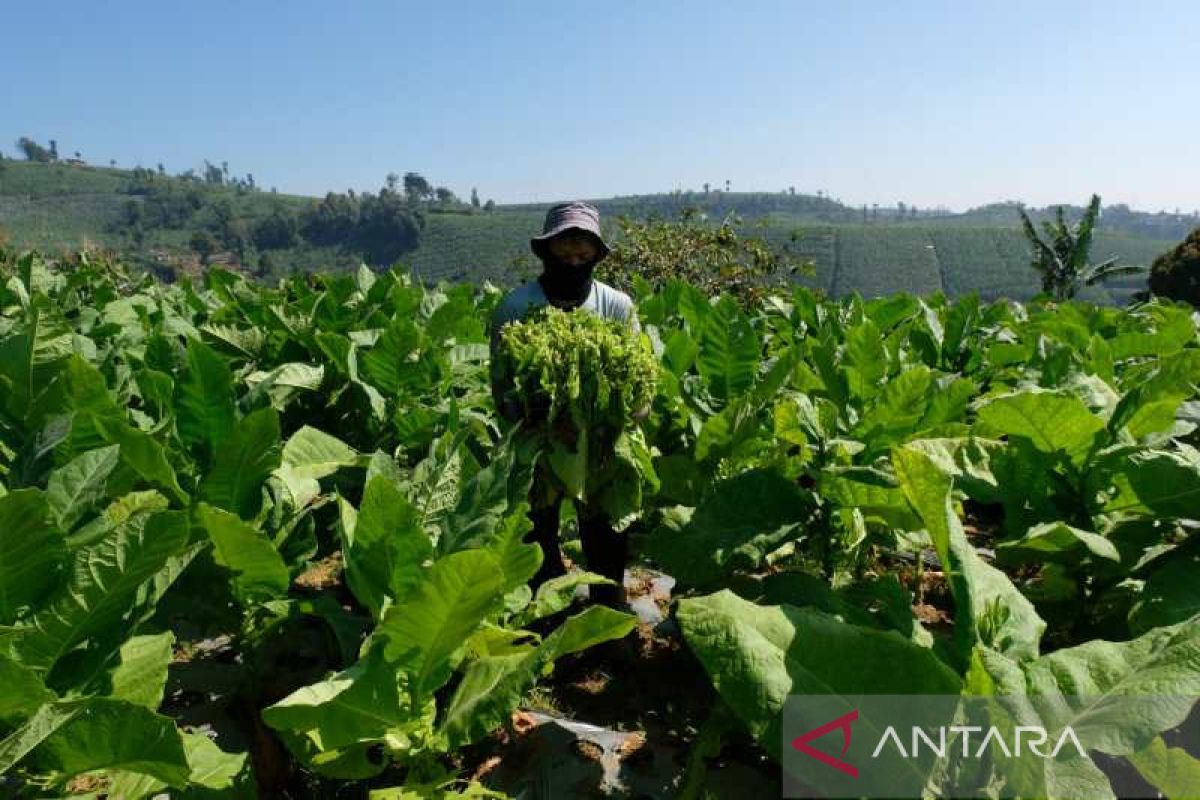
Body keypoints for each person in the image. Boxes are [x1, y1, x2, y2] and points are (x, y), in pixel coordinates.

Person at [489, 201, 640, 608]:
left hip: (602, 446)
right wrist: (540, 415)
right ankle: (546, 615)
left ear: (596, 255)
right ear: (547, 251)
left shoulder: (617, 306)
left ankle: (609, 611)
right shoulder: (515, 308)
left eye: (583, 253)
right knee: (537, 537)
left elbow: (640, 389)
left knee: (607, 535)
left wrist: (615, 415)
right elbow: (502, 390)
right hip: (539, 446)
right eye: (565, 252)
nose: (574, 261)